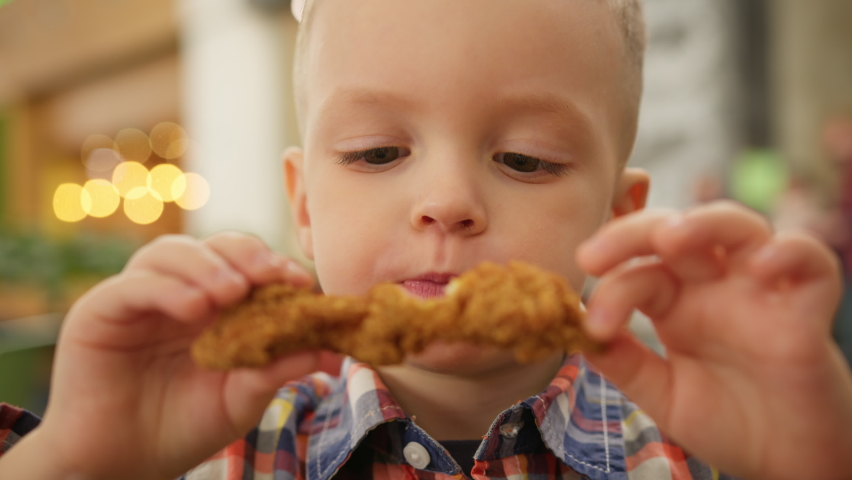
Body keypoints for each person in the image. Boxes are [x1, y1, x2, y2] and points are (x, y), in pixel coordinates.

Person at [2, 0, 852, 478]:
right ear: (304, 203)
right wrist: (80, 456)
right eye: (377, 152)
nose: (445, 202)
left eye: (526, 159)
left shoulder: (700, 448)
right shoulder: (218, 449)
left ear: (616, 221)